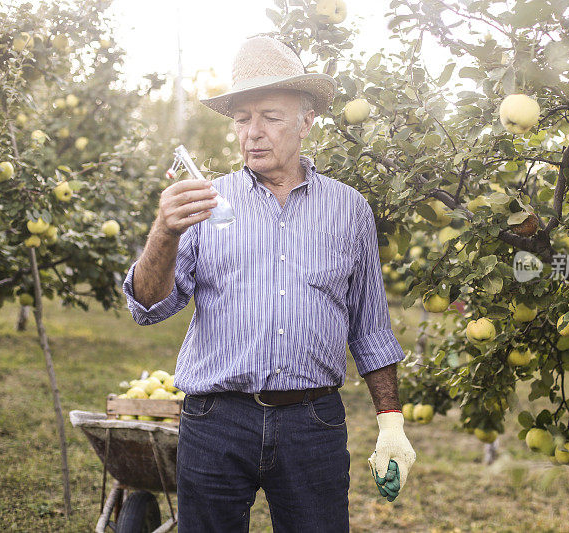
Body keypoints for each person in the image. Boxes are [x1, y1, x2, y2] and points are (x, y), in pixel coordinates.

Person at [122, 36, 416, 532]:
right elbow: (148, 307)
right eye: (242, 119)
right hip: (216, 421)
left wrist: (391, 425)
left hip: (312, 422)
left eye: (270, 117)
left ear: (305, 122)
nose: (253, 133)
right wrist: (163, 233)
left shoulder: (348, 210)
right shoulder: (204, 204)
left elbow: (370, 329)